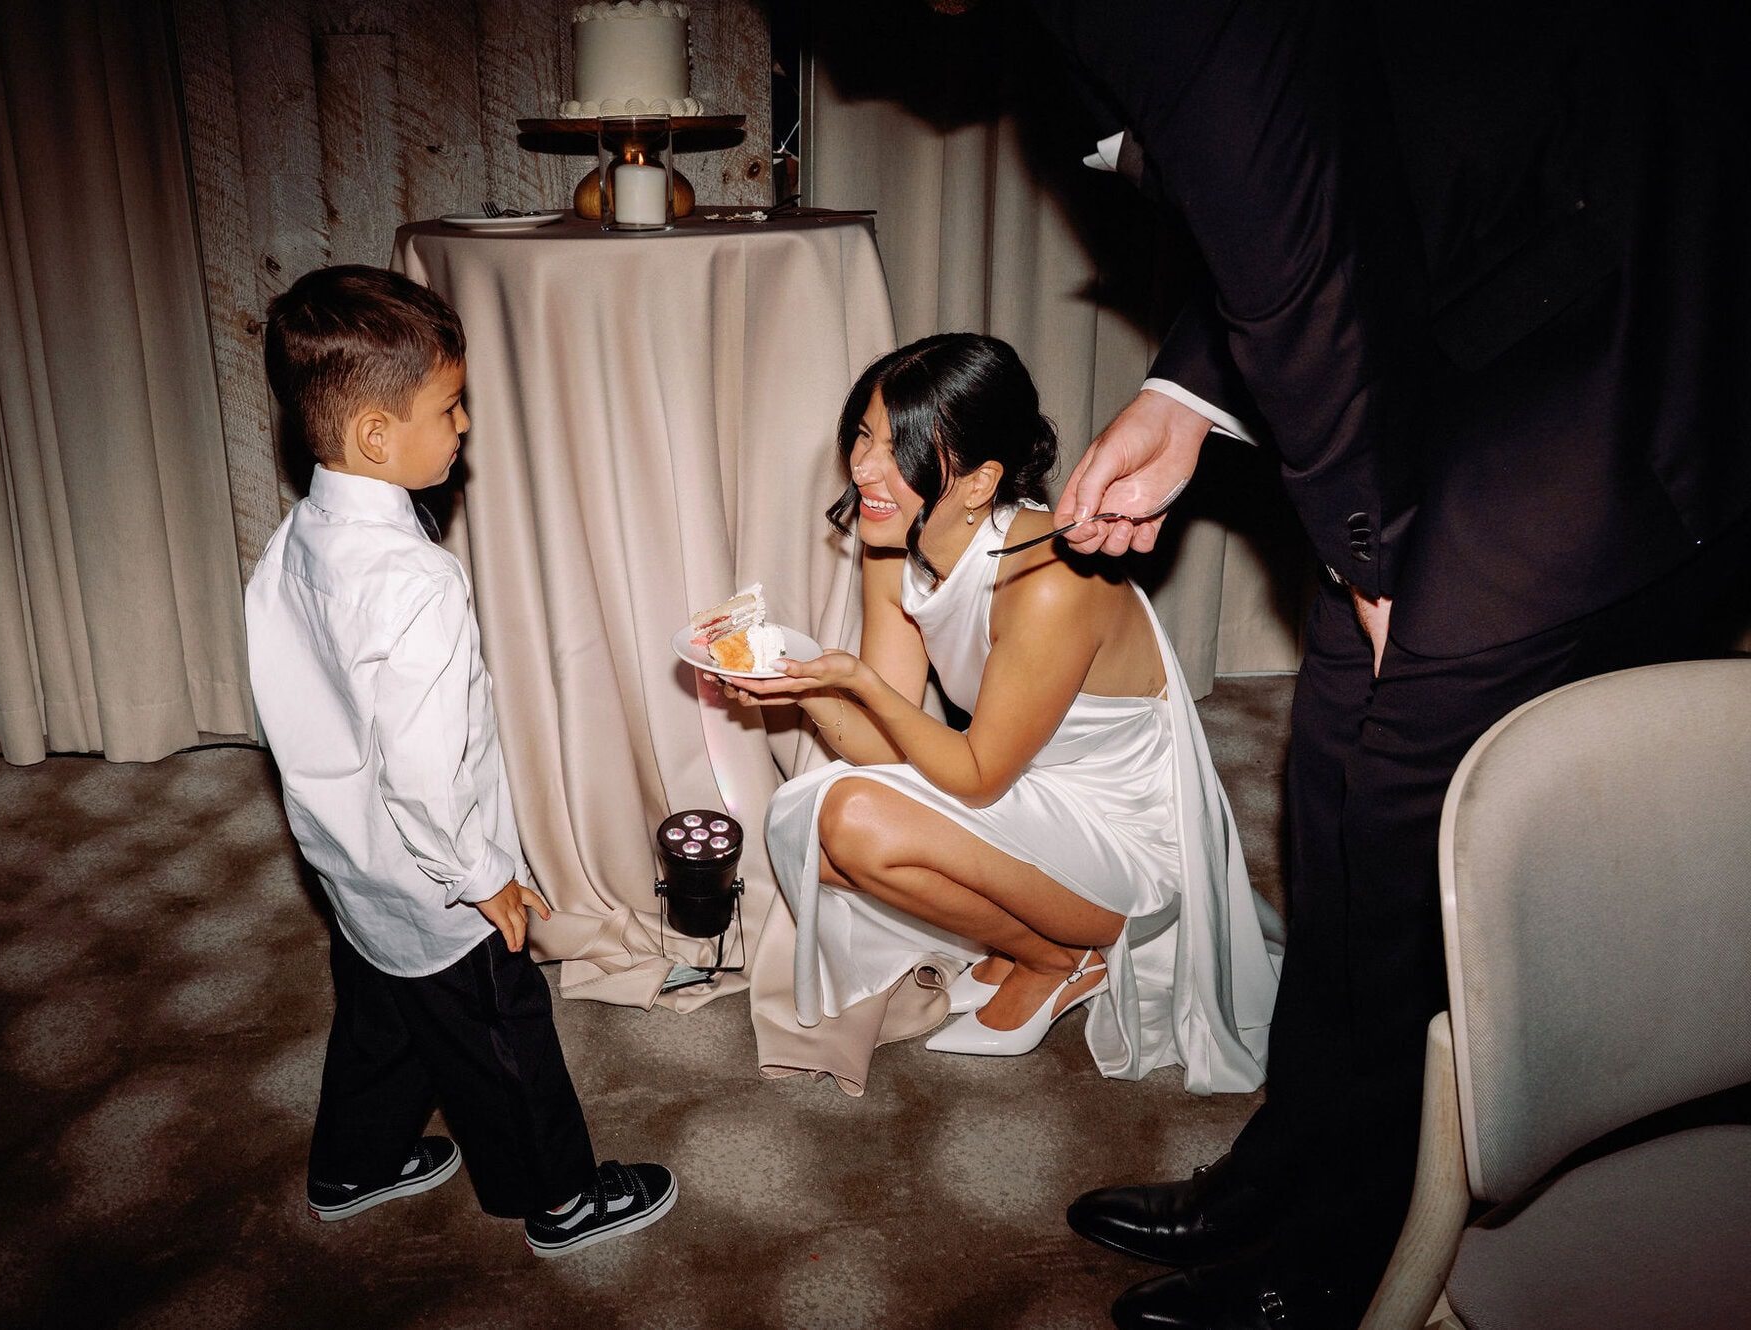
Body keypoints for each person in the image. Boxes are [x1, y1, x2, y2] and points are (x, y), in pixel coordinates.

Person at [997, 1, 1751, 1326]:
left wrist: (1370, 550)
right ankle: (1303, 1157)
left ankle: (1359, 1248)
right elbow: (1337, 142)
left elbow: (1282, 205)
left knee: (1414, 782)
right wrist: (1189, 397)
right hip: (1487, 270)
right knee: (1341, 741)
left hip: (1653, 305)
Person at [245, 265, 676, 1257]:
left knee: (382, 1014)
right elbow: (430, 772)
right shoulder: (414, 583)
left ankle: (352, 1162)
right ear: (374, 436)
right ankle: (559, 1195)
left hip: (352, 865)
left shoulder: (296, 538)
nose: (465, 425)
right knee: (500, 1033)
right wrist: (486, 878)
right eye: (450, 407)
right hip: (439, 882)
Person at [720, 333, 1281, 1091]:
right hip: (1022, 785)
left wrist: (856, 682)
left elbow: (976, 776)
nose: (864, 467)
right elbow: (885, 749)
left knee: (843, 818)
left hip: (1131, 835)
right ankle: (1049, 953)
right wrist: (800, 689)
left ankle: (1061, 957)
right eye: (863, 436)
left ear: (982, 481)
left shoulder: (1047, 581)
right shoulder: (896, 538)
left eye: (899, 447)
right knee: (811, 838)